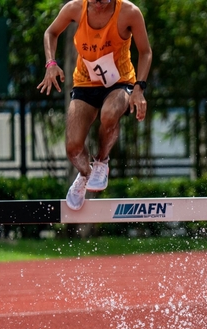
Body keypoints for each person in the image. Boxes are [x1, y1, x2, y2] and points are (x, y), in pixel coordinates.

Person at [37, 0, 152, 210]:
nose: (100, 5)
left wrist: (138, 89)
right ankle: (85, 175)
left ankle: (102, 161)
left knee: (109, 115)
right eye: (95, 0)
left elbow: (145, 52)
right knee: (73, 148)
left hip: (120, 82)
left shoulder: (129, 12)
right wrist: (51, 63)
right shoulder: (74, 8)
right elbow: (50, 32)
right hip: (85, 83)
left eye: (105, 0)